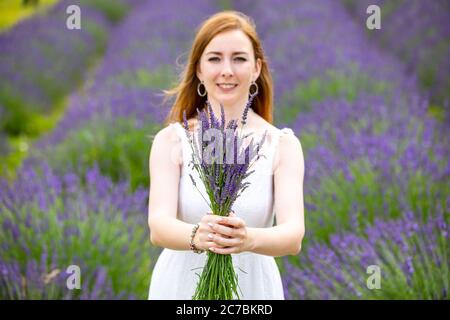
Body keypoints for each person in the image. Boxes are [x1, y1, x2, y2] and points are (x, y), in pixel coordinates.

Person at [147, 10, 305, 300]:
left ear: (257, 68)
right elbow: (158, 226)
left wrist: (248, 239)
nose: (227, 70)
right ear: (198, 69)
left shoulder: (281, 145)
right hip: (181, 287)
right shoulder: (172, 141)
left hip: (253, 291)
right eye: (215, 58)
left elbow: (293, 235)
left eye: (239, 58)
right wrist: (198, 235)